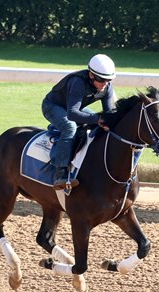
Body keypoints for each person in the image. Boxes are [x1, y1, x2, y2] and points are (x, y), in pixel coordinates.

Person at [42, 54, 117, 190]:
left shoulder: (107, 87)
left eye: (108, 80)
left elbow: (109, 114)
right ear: (91, 75)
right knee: (70, 127)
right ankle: (61, 173)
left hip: (73, 107)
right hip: (53, 106)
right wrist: (96, 119)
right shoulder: (78, 82)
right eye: (101, 80)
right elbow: (72, 114)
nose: (104, 84)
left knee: (101, 121)